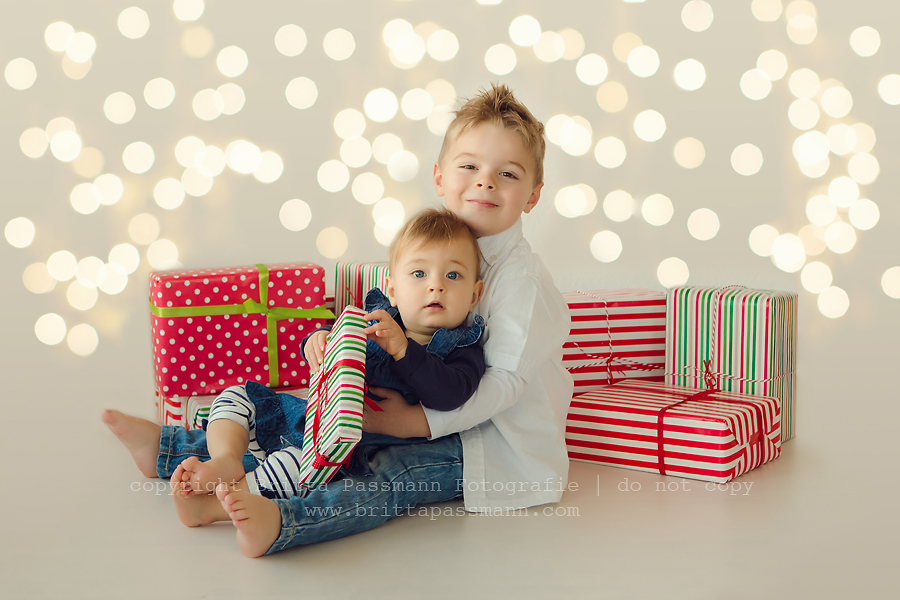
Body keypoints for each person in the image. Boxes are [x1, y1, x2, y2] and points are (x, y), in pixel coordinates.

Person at [102, 83, 574, 558]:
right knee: (294, 425)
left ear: (532, 196)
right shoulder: (431, 245)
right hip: (419, 411)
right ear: (439, 176)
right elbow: (381, 316)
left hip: (488, 443)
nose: (485, 181)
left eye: (506, 174)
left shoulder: (520, 281)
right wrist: (330, 346)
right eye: (469, 166)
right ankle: (170, 449)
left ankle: (281, 520)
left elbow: (505, 384)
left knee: (385, 472)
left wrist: (413, 423)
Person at [170, 208, 486, 502]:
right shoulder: (376, 316)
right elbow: (338, 338)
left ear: (474, 295)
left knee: (294, 469)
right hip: (309, 416)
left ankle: (223, 501)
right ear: (392, 289)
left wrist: (404, 350)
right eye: (419, 274)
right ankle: (226, 459)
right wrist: (318, 339)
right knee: (238, 396)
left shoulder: (464, 346)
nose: (435, 286)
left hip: (349, 449)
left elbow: (450, 395)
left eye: (453, 276)